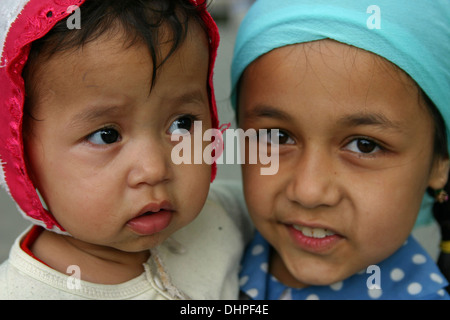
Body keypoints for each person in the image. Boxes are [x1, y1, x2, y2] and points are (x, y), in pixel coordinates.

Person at [0, 0, 251, 299]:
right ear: (21, 156)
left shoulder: (228, 215)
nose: (154, 169)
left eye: (182, 124)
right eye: (106, 136)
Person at [230, 0, 450, 299]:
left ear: (441, 163)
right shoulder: (204, 251)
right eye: (278, 137)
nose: (309, 191)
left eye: (365, 145)